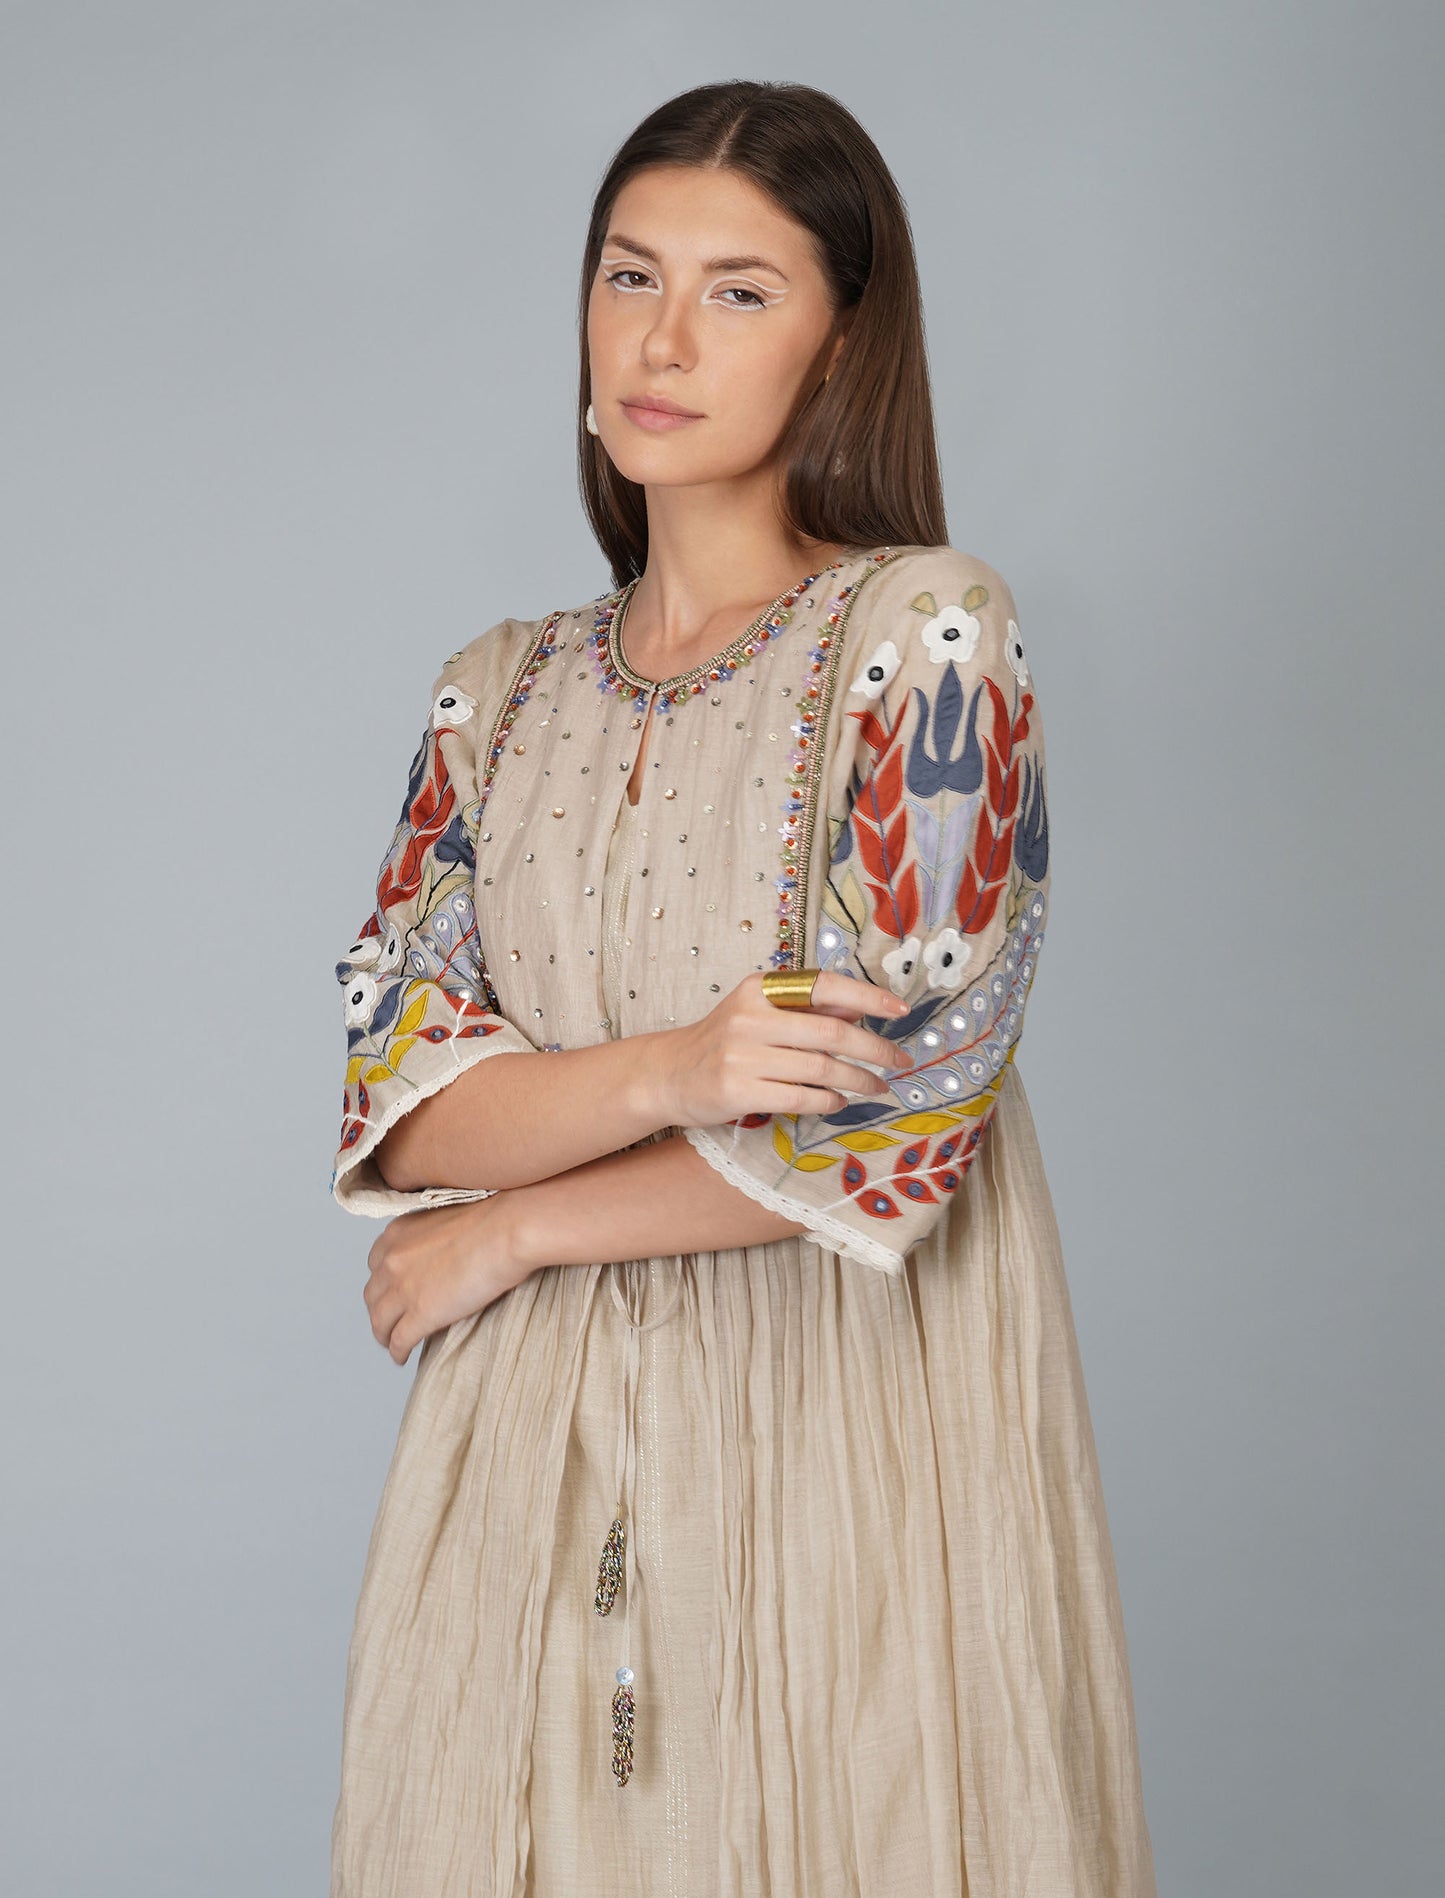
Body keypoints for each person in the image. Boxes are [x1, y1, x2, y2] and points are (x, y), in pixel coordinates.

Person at [327, 78, 1158, 1898]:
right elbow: (410, 1104)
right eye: (629, 275)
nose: (662, 339)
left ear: (841, 343)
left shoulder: (927, 634)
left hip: (844, 1408)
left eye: (739, 290)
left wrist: (512, 1232)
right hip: (525, 1437)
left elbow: (884, 1128)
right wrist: (677, 1068)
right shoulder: (493, 688)